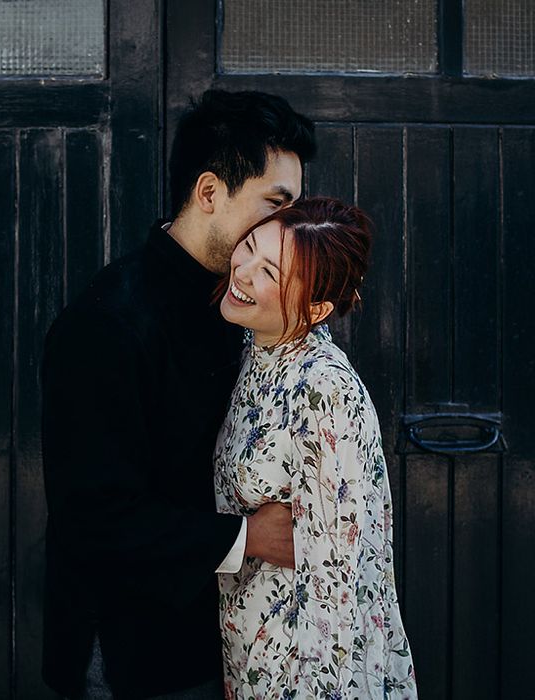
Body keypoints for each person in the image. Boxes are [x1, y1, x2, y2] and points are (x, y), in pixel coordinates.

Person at [41, 90, 316, 699]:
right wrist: (251, 538)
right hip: (124, 656)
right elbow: (93, 518)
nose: (288, 227)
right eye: (276, 204)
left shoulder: (245, 306)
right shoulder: (106, 323)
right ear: (211, 192)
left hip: (217, 643)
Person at [214, 197, 417, 698]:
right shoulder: (255, 348)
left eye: (270, 273)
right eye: (249, 247)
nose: (242, 271)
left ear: (315, 308)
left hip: (302, 675)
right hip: (248, 656)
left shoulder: (325, 390)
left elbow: (338, 585)